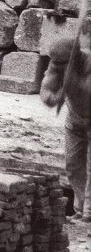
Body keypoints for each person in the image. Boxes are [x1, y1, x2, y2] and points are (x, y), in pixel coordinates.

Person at [40, 24, 91, 223]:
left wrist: (74, 81)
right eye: (56, 64)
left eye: (62, 64)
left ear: (75, 57)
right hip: (75, 120)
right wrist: (54, 97)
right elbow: (46, 92)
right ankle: (80, 207)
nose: (57, 67)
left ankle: (88, 214)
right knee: (72, 165)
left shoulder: (88, 63)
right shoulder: (57, 64)